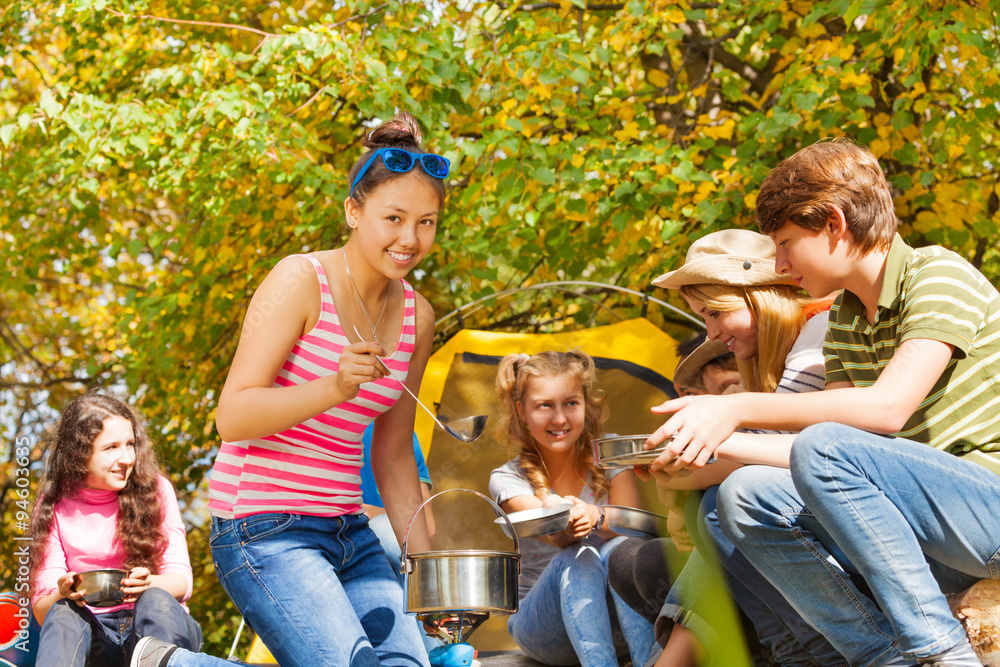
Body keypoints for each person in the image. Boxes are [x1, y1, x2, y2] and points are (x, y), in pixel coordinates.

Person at [652, 140, 1000, 666]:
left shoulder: (937, 273)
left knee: (823, 445)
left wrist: (734, 410)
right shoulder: (844, 318)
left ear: (835, 224)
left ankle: (942, 655)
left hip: (985, 512)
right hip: (925, 529)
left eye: (787, 242)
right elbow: (822, 450)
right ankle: (883, 658)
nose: (780, 262)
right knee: (743, 496)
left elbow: (885, 412)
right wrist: (706, 441)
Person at [195, 111, 447, 667]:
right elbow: (231, 416)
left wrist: (427, 575)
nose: (410, 239)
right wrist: (333, 387)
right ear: (354, 211)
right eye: (394, 218)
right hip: (263, 528)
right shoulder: (299, 280)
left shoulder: (417, 317)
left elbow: (393, 454)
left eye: (426, 222)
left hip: (349, 531)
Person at [627, 229, 844, 667]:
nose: (712, 332)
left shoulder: (817, 335)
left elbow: (779, 452)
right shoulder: (777, 353)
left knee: (722, 504)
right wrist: (677, 471)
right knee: (644, 558)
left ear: (758, 296)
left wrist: (682, 466)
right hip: (809, 508)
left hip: (845, 507)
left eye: (715, 313)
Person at [28, 392, 245, 667]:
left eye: (130, 444)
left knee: (155, 598)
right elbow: (42, 610)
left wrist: (148, 583)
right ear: (80, 453)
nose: (126, 458)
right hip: (93, 638)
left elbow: (181, 582)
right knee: (62, 612)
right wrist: (65, 591)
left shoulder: (156, 490)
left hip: (157, 629)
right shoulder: (54, 505)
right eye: (111, 448)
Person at [488, 351, 655, 667]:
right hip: (544, 628)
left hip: (616, 617)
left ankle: (649, 661)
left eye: (571, 403)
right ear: (521, 411)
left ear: (587, 404)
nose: (560, 418)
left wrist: (596, 516)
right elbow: (556, 538)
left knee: (623, 546)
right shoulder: (507, 479)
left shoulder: (609, 452)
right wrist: (571, 523)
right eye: (544, 406)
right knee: (576, 557)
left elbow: (633, 524)